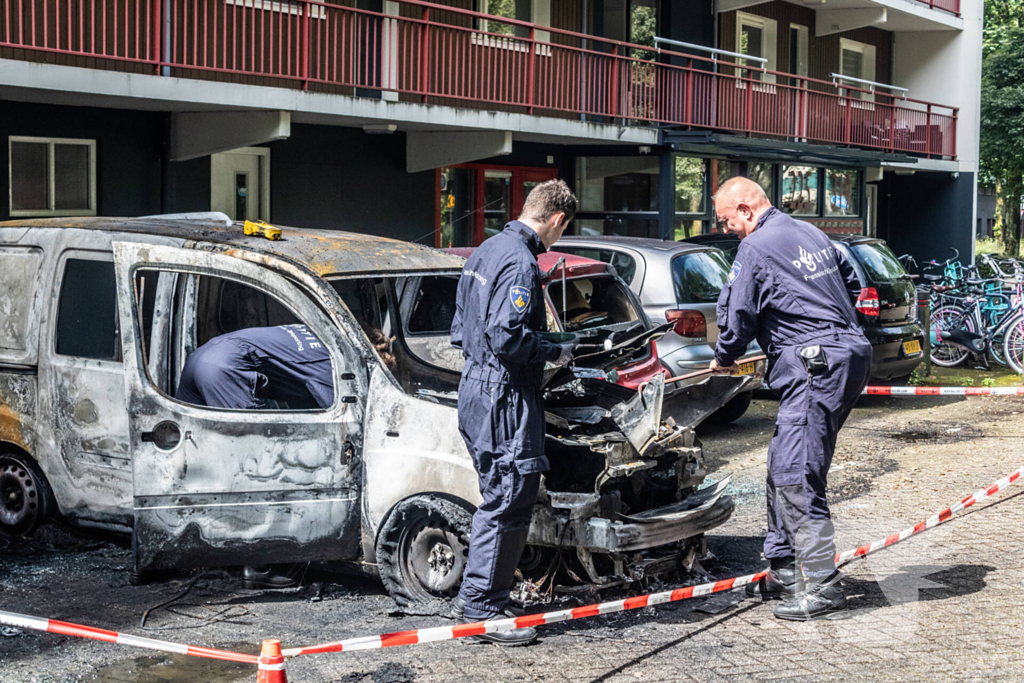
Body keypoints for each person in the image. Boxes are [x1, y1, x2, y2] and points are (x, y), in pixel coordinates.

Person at [709, 177, 872, 621]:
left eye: (726, 220)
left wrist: (724, 357)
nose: (726, 229)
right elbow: (855, 283)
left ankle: (822, 585)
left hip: (813, 364)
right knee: (783, 461)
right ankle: (783, 569)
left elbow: (739, 313)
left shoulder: (756, 248)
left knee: (795, 474)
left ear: (745, 209)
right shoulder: (809, 232)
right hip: (846, 354)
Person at [449, 180, 578, 645]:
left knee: (499, 494)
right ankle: (482, 608)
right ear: (557, 220)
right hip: (505, 396)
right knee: (508, 499)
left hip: (476, 389)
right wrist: (554, 351)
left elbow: (461, 329)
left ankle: (486, 598)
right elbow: (508, 339)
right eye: (562, 231)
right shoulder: (523, 262)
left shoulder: (485, 250)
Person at [176, 323, 334, 589]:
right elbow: (343, 413)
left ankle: (151, 560)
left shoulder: (318, 332)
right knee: (259, 466)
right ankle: (262, 568)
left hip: (202, 357)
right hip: (226, 369)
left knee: (187, 462)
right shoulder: (336, 360)